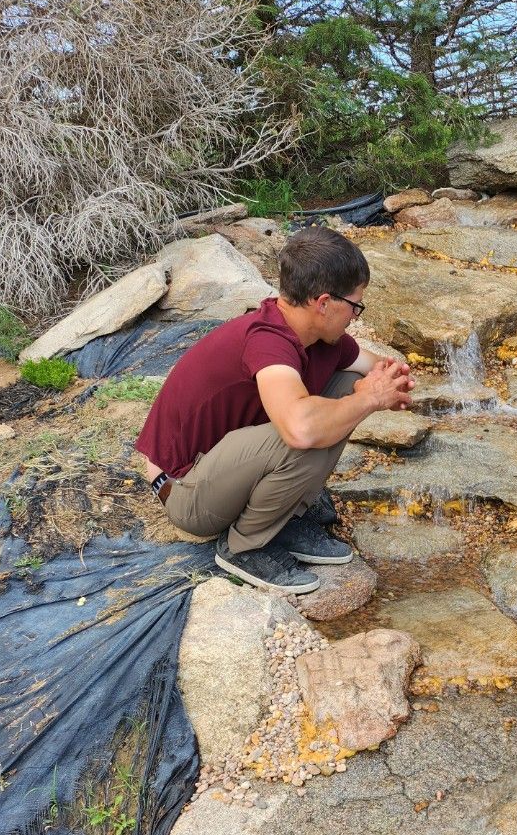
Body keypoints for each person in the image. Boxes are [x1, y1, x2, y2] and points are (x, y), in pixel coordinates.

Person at [135, 226, 413, 595]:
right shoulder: (268, 342)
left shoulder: (318, 336)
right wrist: (369, 399)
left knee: (346, 387)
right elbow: (300, 429)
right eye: (355, 305)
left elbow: (376, 367)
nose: (356, 317)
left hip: (224, 466)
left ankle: (284, 517)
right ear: (324, 303)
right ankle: (242, 547)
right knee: (304, 434)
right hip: (183, 491)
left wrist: (390, 383)